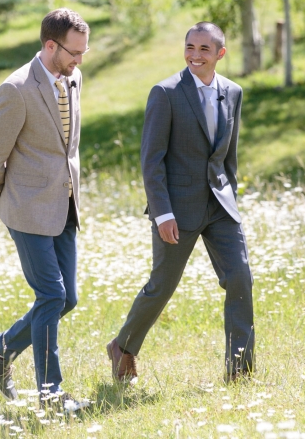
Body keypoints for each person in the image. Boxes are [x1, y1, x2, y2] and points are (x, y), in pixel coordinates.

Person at [106, 22, 255, 383]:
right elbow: (151, 160)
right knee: (163, 285)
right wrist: (162, 213)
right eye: (190, 47)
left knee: (240, 278)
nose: (195, 55)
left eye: (204, 49)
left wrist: (231, 199)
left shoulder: (233, 92)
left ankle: (239, 370)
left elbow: (228, 156)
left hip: (220, 207)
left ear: (220, 53)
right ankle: (123, 347)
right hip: (176, 208)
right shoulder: (166, 92)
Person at [0, 8, 89, 409]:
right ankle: (52, 395)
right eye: (74, 52)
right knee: (51, 295)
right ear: (49, 45)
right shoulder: (17, 89)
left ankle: (2, 348)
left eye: (83, 52)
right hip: (26, 208)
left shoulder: (73, 78)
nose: (80, 60)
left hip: (65, 206)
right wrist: (3, 198)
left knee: (67, 298)